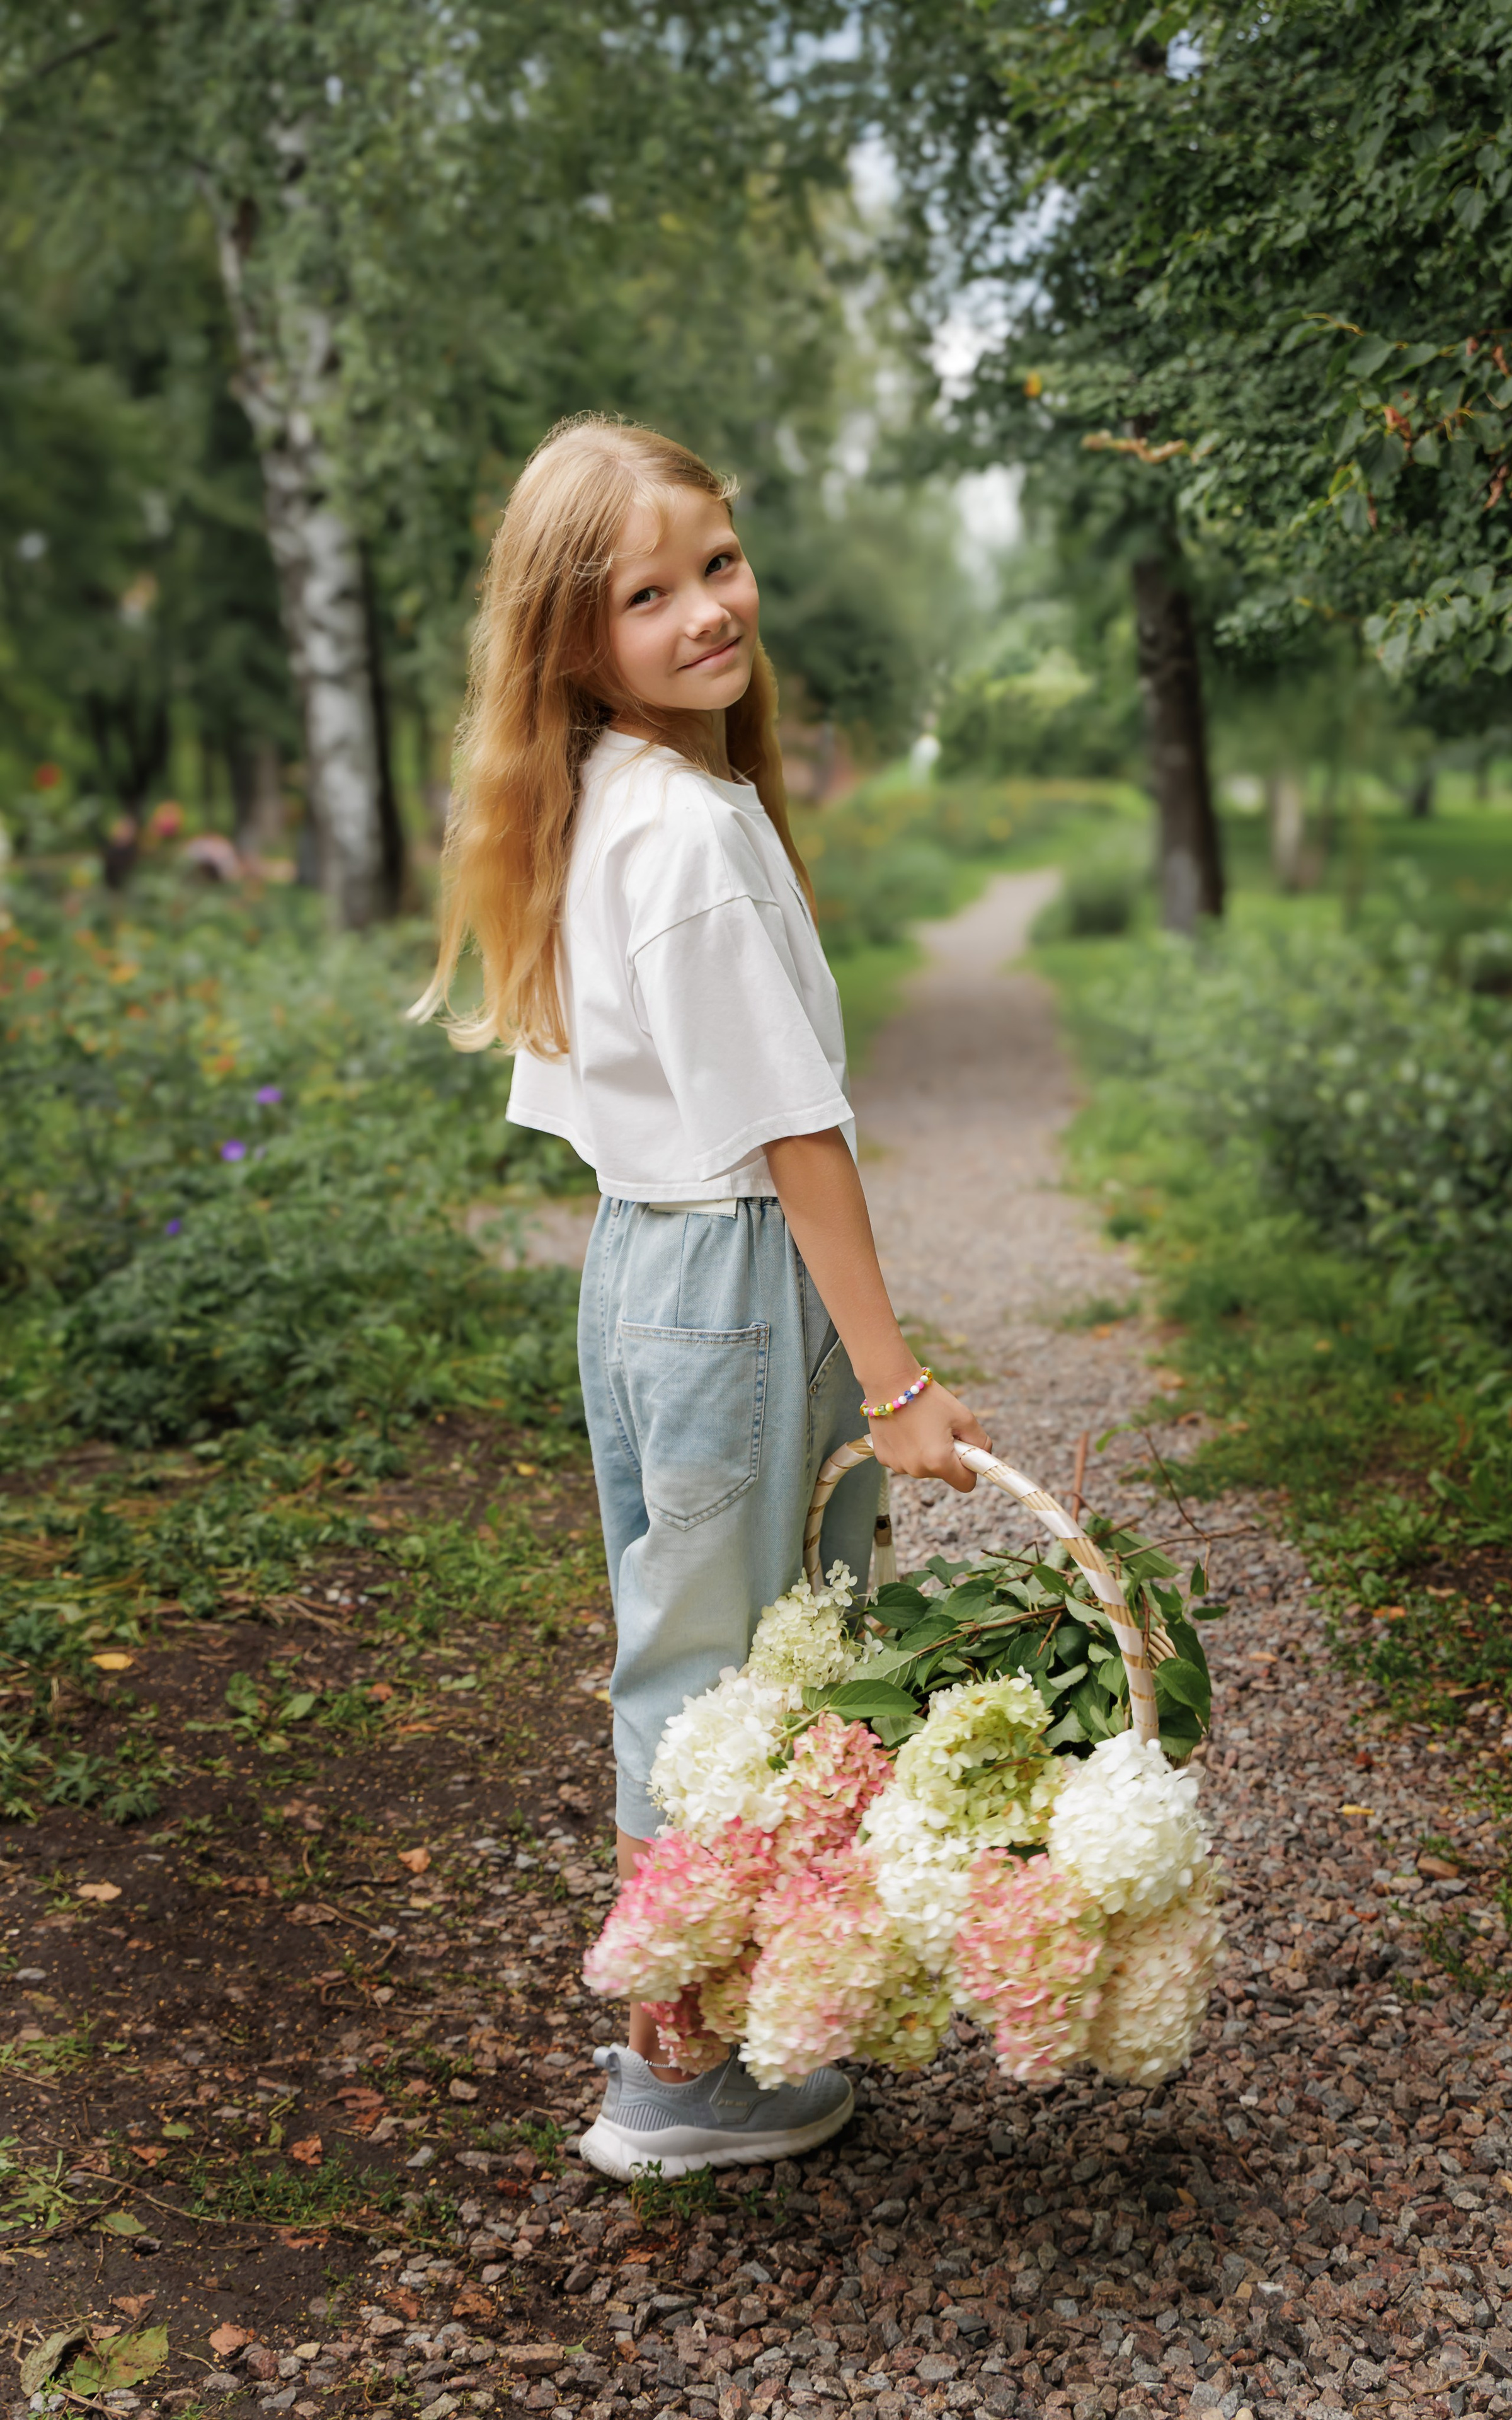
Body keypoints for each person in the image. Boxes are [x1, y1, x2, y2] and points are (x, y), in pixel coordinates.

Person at [415, 415, 989, 2179]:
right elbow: (792, 1130)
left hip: (647, 1264)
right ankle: (680, 2072)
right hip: (731, 1267)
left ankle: (716, 2027)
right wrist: (895, 1390)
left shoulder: (602, 802)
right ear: (573, 641)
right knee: (734, 1675)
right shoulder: (687, 834)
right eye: (645, 595)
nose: (703, 614)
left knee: (701, 1661)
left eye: (716, 566)